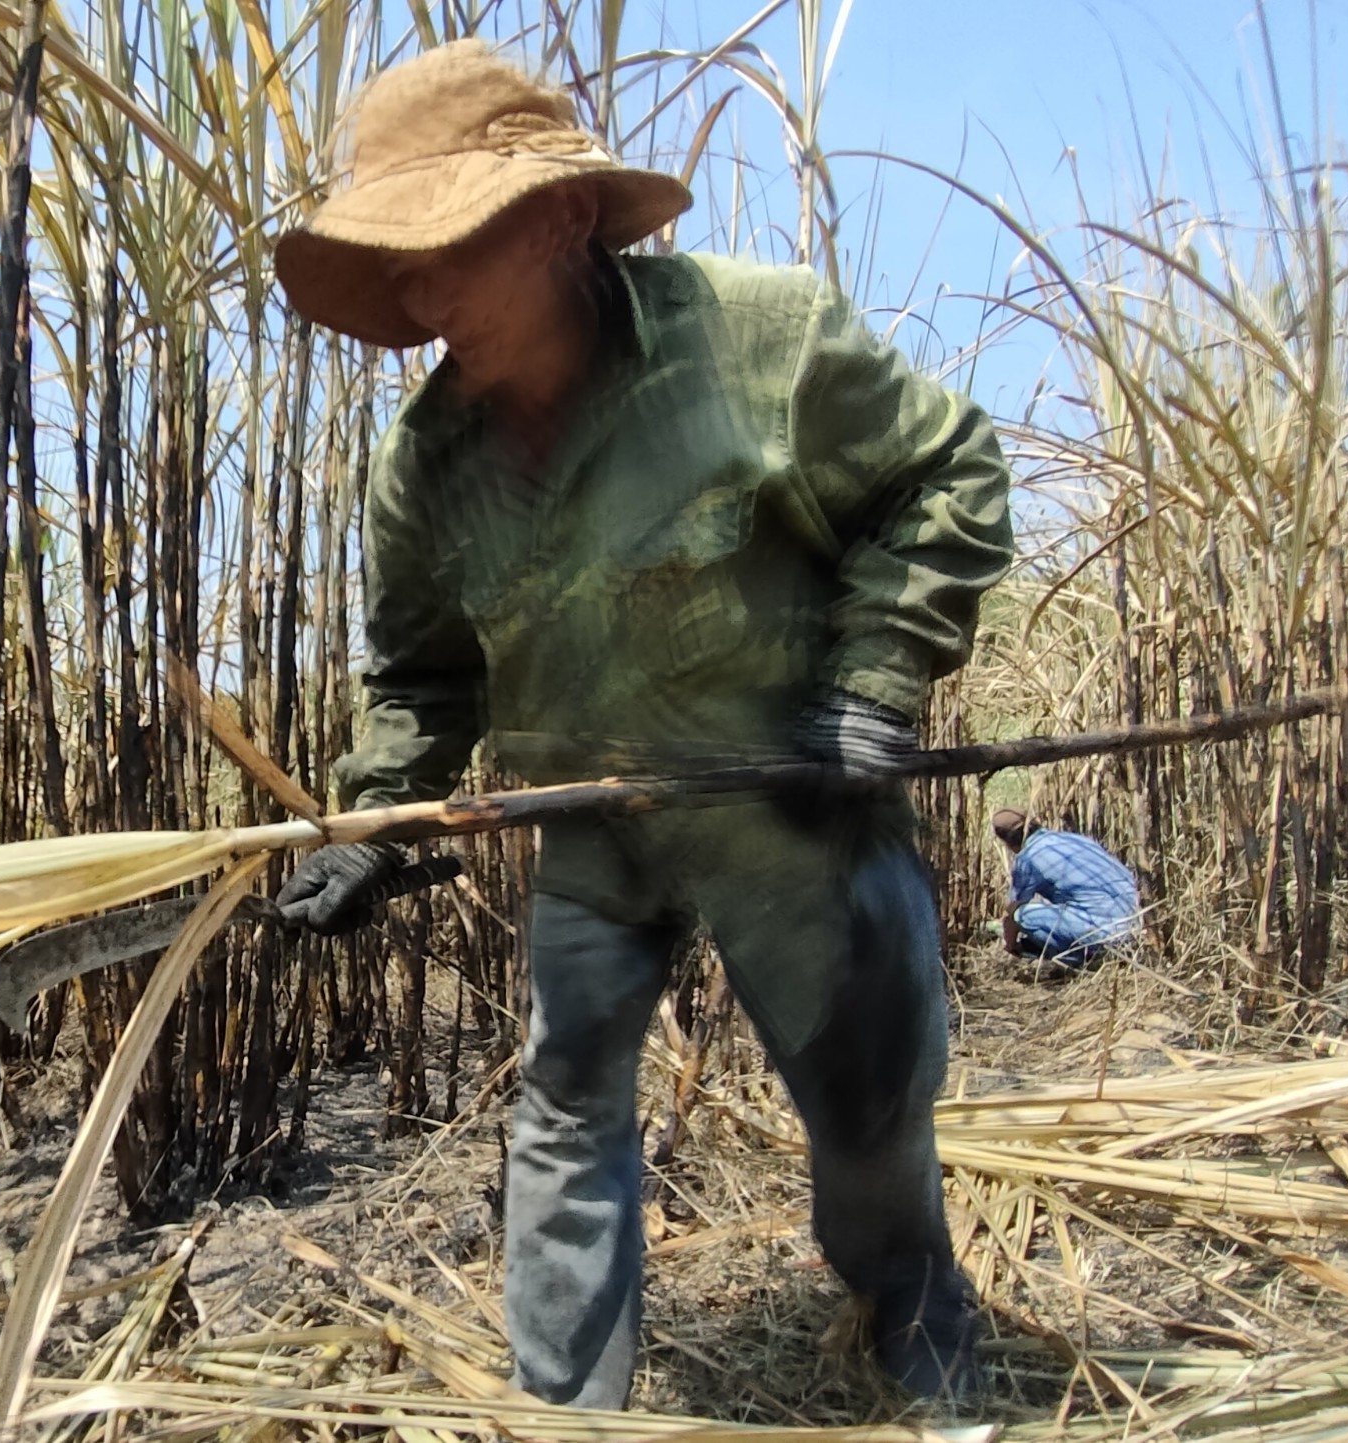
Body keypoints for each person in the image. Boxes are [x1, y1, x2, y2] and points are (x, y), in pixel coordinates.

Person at [266, 44, 1016, 1410]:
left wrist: (876, 678)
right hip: (592, 831)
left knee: (865, 1100)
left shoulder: (759, 339)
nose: (421, 296)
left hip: (788, 809)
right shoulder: (425, 464)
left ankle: (917, 1312)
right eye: (402, 264)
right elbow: (422, 673)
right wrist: (374, 820)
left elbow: (947, 473)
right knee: (563, 1106)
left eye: (446, 247)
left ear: (557, 220)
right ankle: (565, 1404)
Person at [991, 809, 1139, 972]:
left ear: (1007, 842)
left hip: (1107, 934)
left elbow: (1012, 910)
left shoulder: (1027, 858)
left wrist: (1010, 945)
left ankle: (1079, 961)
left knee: (1022, 914)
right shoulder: (1074, 839)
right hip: (1139, 924)